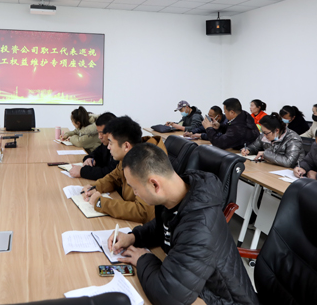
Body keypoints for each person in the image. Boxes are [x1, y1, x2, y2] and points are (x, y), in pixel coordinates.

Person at [108, 143, 259, 305]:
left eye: (134, 188)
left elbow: (167, 296)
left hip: (222, 300)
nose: (135, 193)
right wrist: (133, 237)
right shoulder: (177, 193)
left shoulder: (200, 227)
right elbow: (161, 227)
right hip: (195, 288)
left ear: (155, 184)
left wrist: (142, 259)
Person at [83, 116, 167, 223]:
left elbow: (143, 211)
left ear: (126, 146)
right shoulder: (129, 156)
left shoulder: (148, 165)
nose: (108, 147)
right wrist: (95, 187)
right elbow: (114, 178)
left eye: (111, 143)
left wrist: (101, 203)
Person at [69, 112, 118, 180]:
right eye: (98, 133)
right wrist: (90, 158)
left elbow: (110, 173)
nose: (99, 137)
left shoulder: (119, 149)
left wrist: (82, 172)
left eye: (102, 133)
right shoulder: (105, 144)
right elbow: (95, 153)